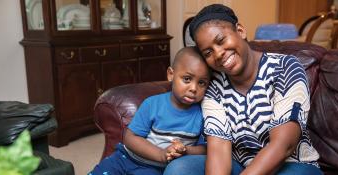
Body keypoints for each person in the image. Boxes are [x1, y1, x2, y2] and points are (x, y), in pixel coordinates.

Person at [164, 4, 322, 175]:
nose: (218, 54)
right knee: (179, 169)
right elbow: (219, 150)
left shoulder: (285, 68)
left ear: (240, 31)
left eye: (221, 41)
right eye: (208, 52)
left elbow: (283, 145)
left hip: (292, 165)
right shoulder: (214, 85)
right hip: (240, 165)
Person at [88, 46, 211, 175]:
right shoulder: (152, 104)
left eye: (201, 83)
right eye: (187, 79)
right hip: (126, 158)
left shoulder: (202, 115)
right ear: (171, 75)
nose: (193, 88)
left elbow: (205, 149)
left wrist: (185, 150)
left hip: (153, 169)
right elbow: (130, 138)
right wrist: (161, 154)